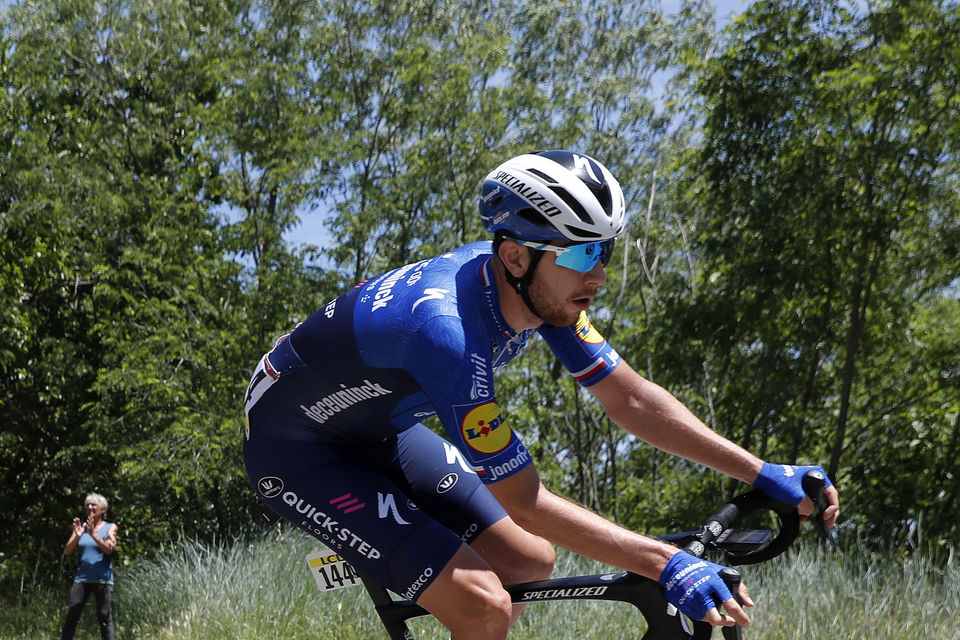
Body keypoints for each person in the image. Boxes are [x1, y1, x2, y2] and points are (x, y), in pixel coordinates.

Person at [243, 150, 840, 640]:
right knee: (483, 605)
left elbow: (631, 400)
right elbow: (523, 498)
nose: (599, 275)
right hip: (297, 452)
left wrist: (760, 471)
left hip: (377, 428)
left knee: (529, 562)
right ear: (515, 256)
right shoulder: (446, 331)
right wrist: (664, 561)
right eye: (583, 253)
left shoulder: (544, 296)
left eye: (605, 251)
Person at [59, 493, 118, 640]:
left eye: (94, 505)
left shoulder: (110, 527)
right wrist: (78, 535)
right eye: (87, 505)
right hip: (82, 579)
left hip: (102, 580)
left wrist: (93, 534)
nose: (90, 507)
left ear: (103, 509)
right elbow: (68, 550)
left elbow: (109, 549)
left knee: (104, 616)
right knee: (72, 613)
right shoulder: (81, 528)